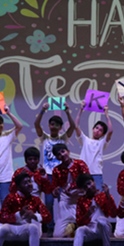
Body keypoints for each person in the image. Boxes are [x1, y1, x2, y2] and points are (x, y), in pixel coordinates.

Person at [34, 101, 76, 232]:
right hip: (48, 175)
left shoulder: (63, 138)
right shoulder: (44, 138)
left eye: (57, 125)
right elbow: (36, 124)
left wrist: (67, 111)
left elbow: (73, 127)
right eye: (52, 124)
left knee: (62, 202)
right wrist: (42, 110)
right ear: (49, 125)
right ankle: (50, 228)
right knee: (49, 202)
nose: (54, 126)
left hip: (62, 175)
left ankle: (62, 226)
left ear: (60, 127)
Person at [67, 174, 116, 246]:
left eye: (89, 183)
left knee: (102, 220)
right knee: (79, 230)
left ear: (94, 182)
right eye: (85, 186)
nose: (89, 187)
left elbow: (114, 214)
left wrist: (108, 196)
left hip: (102, 229)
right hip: (90, 229)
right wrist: (88, 214)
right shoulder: (81, 200)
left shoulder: (103, 196)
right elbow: (79, 222)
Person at [50, 143, 90, 238]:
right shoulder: (56, 170)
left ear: (68, 152)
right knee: (57, 235)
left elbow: (87, 180)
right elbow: (54, 189)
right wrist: (55, 192)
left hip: (81, 200)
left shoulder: (80, 164)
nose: (62, 155)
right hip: (66, 202)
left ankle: (76, 226)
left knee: (87, 233)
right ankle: (72, 227)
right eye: (59, 154)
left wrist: (72, 185)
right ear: (57, 158)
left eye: (63, 151)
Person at [74, 101, 113, 190]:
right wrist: (80, 109)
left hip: (96, 173)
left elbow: (110, 130)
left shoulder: (102, 143)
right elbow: (76, 126)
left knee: (98, 195)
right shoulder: (85, 140)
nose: (97, 131)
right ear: (93, 129)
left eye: (100, 130)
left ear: (103, 134)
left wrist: (106, 113)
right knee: (82, 195)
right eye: (96, 128)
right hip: (83, 173)